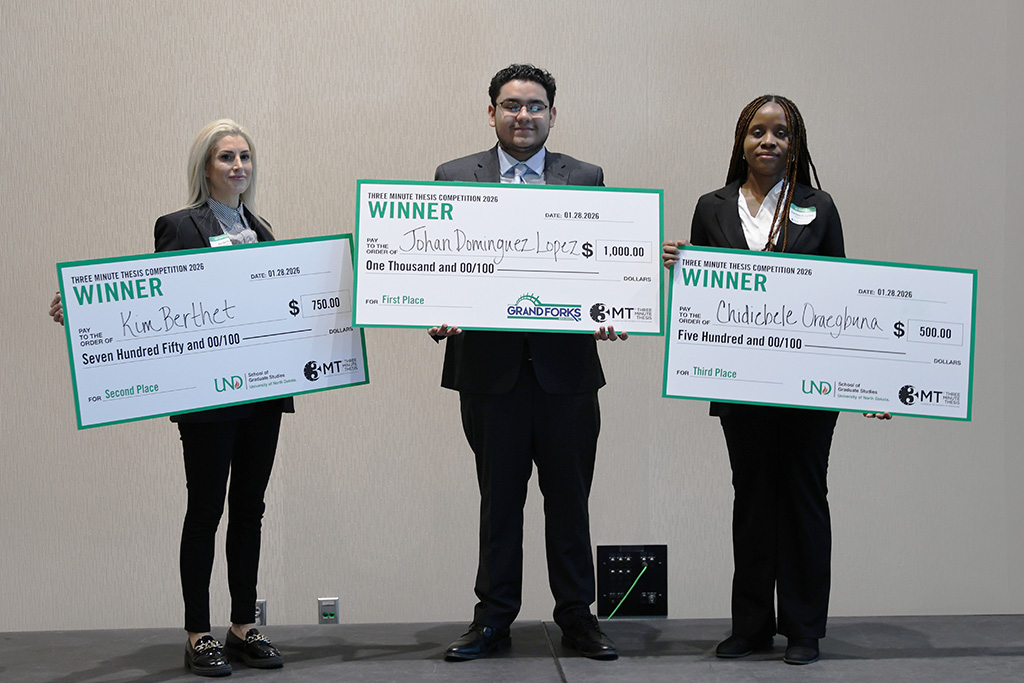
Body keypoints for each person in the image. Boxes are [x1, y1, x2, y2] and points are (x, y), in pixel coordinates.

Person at [50, 119, 288, 677]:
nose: (238, 167)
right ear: (205, 167)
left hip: (261, 395)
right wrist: (85, 310)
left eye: (245, 157)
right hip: (206, 397)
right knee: (206, 508)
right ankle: (198, 632)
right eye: (226, 157)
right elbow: (152, 298)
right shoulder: (179, 225)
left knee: (249, 509)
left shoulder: (265, 230)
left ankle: (243, 626)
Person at [662, 95, 890, 666]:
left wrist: (869, 382)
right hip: (741, 387)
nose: (769, 141)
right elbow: (702, 295)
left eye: (780, 133)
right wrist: (682, 264)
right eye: (757, 131)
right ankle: (752, 626)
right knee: (753, 500)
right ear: (741, 140)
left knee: (805, 500)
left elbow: (844, 296)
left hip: (810, 389)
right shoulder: (710, 206)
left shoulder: (821, 205)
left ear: (796, 144)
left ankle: (806, 629)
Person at [429, 64, 625, 662]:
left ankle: (578, 619)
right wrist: (434, 306)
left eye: (535, 106)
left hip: (565, 373)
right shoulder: (453, 177)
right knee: (499, 501)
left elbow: (605, 262)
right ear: (491, 113)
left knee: (570, 501)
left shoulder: (585, 177)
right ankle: (492, 619)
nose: (523, 116)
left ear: (552, 115)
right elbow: (434, 257)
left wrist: (614, 307)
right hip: (489, 372)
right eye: (511, 106)